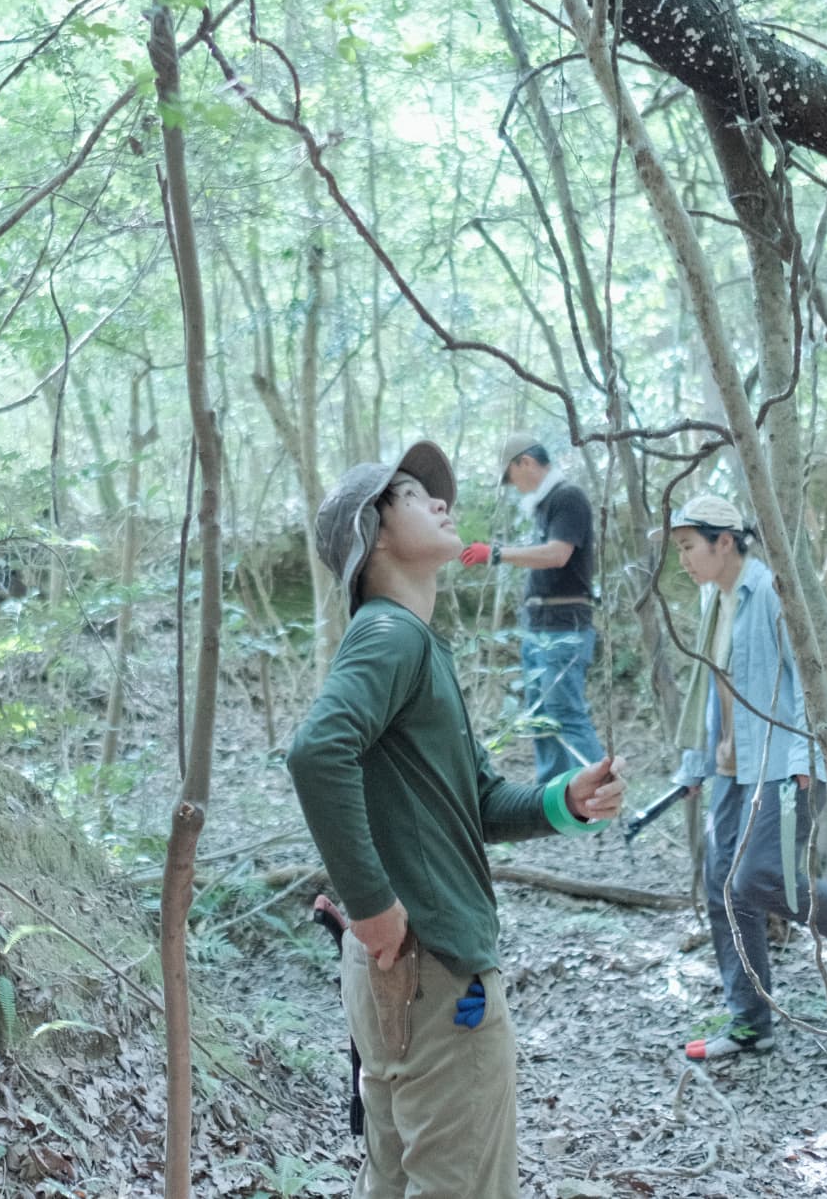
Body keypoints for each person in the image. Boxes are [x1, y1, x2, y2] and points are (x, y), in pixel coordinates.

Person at [286, 440, 627, 1197]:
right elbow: (316, 753)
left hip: (406, 975)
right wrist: (374, 909)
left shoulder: (415, 645)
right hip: (434, 971)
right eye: (412, 494)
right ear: (374, 535)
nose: (443, 502)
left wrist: (563, 801)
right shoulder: (390, 633)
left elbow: (476, 803)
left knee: (398, 1180)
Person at [663, 494, 827, 1061]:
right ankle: (751, 1021)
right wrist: (696, 765)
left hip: (782, 763)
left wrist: (802, 761)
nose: (684, 560)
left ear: (725, 541)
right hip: (731, 769)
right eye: (679, 550)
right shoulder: (711, 601)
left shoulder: (771, 593)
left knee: (760, 877)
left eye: (689, 547)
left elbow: (807, 682)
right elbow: (711, 694)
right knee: (723, 887)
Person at [460, 433, 603, 784]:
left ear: (525, 462)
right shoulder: (542, 507)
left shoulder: (567, 498)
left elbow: (557, 554)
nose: (512, 486)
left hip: (564, 625)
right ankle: (551, 797)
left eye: (510, 476)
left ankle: (602, 795)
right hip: (537, 625)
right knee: (540, 715)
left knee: (566, 714)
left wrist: (495, 553)